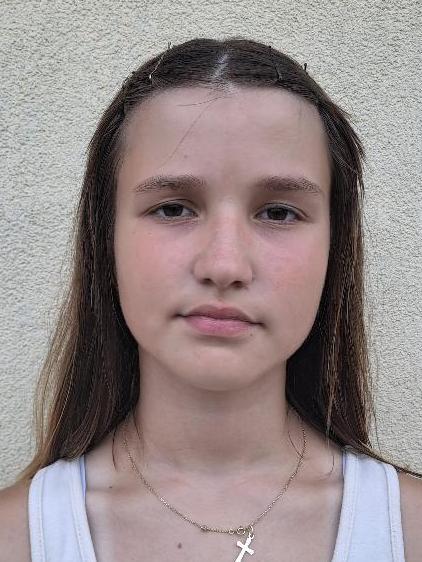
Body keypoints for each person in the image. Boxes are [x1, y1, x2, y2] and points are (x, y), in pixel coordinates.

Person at [0, 37, 421, 562]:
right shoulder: (16, 538)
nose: (224, 266)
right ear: (106, 240)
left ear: (335, 248)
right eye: (173, 209)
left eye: (279, 213)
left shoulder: (410, 530)